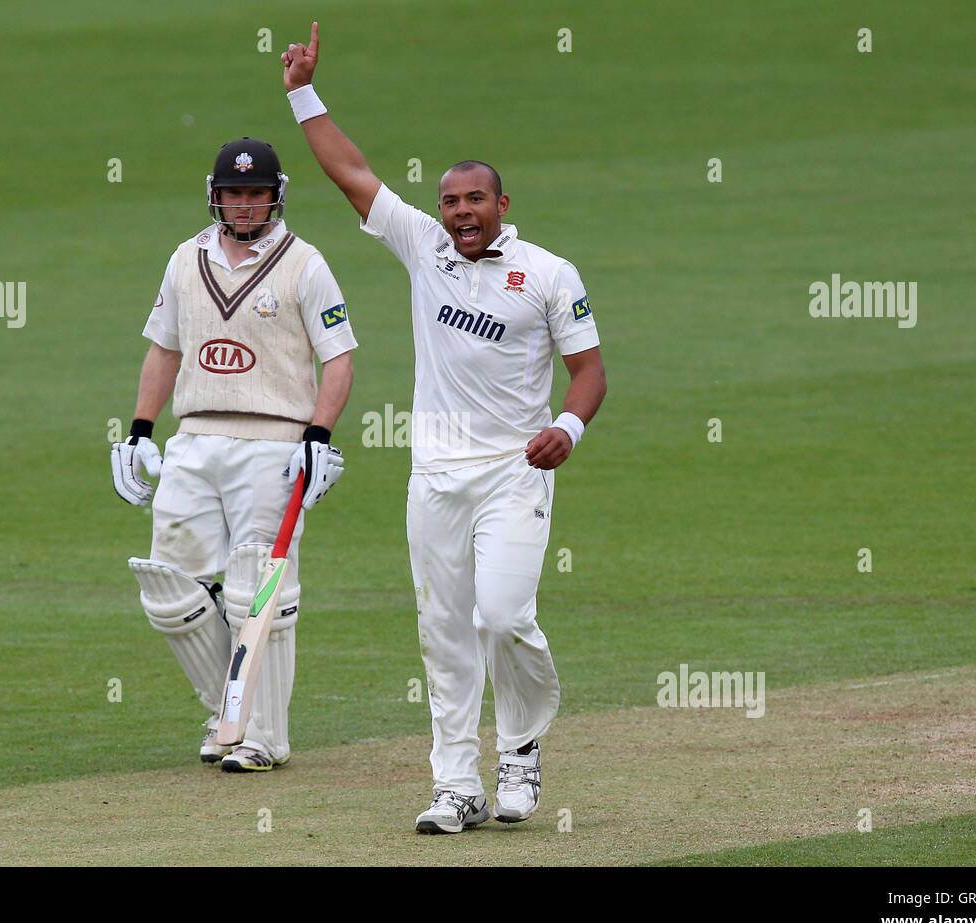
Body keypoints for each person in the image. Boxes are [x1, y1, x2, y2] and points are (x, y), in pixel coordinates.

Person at [280, 24, 607, 832]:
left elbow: (591, 372)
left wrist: (568, 426)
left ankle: (521, 749)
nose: (461, 213)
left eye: (475, 201)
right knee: (444, 632)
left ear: (504, 205)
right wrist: (301, 91)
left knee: (501, 616)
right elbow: (351, 173)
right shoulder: (426, 250)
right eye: (451, 202)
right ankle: (456, 784)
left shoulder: (550, 274)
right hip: (435, 476)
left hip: (515, 474)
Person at [111, 136, 356, 773]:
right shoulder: (184, 259)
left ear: (275, 195)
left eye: (254, 193)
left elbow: (339, 357)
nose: (243, 206)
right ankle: (230, 715)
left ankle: (261, 737)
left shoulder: (306, 263)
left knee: (257, 590)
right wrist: (140, 429)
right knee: (170, 589)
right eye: (232, 193)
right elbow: (164, 350)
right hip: (194, 437)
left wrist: (319, 438)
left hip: (274, 440)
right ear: (215, 196)